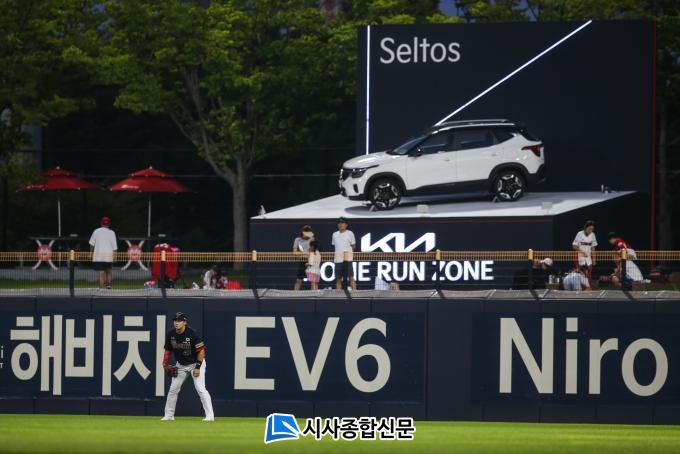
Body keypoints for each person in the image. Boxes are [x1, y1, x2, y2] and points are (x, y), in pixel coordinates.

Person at [161, 312, 214, 421]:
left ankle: (210, 416)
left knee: (200, 388)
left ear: (184, 322)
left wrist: (198, 368)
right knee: (173, 389)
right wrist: (165, 363)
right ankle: (169, 416)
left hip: (196, 363)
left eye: (179, 321)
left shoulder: (193, 334)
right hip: (181, 365)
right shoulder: (171, 334)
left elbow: (201, 351)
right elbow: (168, 350)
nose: (176, 323)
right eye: (175, 320)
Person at [89, 216, 118, 289]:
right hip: (109, 257)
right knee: (109, 272)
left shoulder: (96, 231)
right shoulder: (112, 233)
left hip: (98, 257)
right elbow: (114, 247)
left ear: (101, 223)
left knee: (101, 274)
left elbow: (91, 244)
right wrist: (115, 257)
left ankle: (101, 290)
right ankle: (109, 287)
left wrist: (91, 253)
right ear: (109, 224)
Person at [332, 217, 356, 290]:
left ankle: (355, 295)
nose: (341, 224)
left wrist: (348, 254)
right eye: (339, 223)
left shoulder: (350, 233)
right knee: (338, 279)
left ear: (346, 225)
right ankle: (338, 296)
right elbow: (335, 246)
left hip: (347, 260)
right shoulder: (334, 234)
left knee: (351, 278)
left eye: (342, 223)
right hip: (337, 260)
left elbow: (353, 246)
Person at [293, 225, 315, 290]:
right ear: (303, 232)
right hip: (302, 261)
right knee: (298, 280)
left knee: (312, 281)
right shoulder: (297, 240)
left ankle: (314, 295)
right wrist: (304, 253)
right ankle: (294, 295)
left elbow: (313, 252)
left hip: (310, 262)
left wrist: (309, 253)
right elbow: (294, 252)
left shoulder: (312, 239)